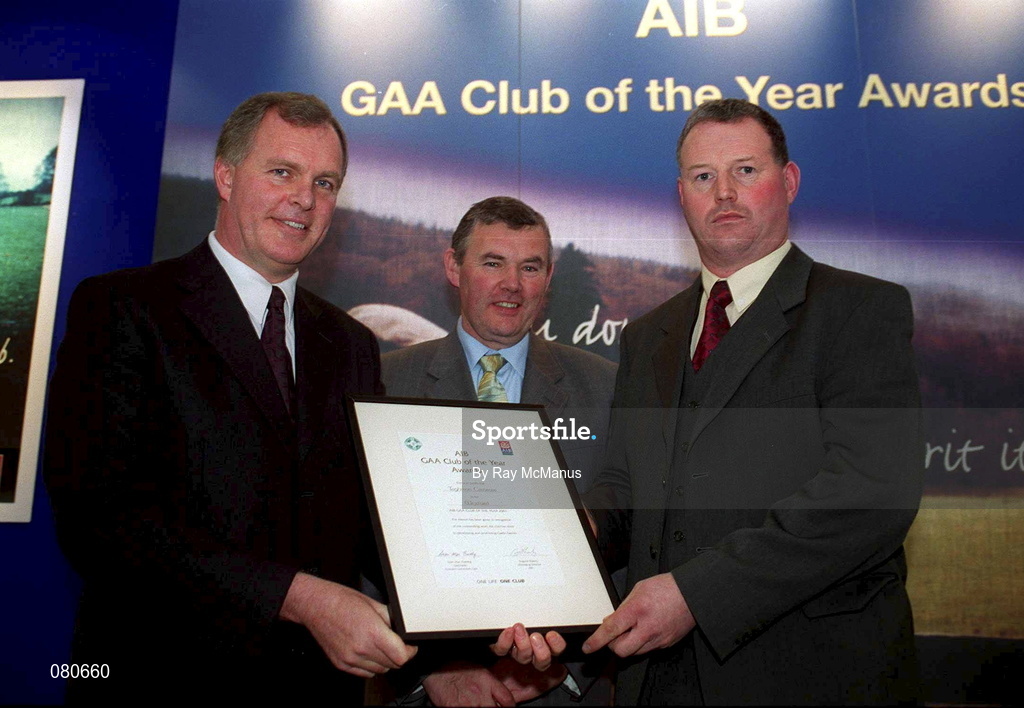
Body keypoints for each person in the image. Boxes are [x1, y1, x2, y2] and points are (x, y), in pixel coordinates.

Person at [44, 92, 416, 704]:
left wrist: (470, 630)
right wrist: (299, 597)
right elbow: (99, 520)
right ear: (224, 174)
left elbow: (372, 523)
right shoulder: (125, 308)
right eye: (282, 172)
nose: (305, 198)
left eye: (325, 182)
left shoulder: (351, 344)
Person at [579, 99, 922, 705]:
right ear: (681, 194)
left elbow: (870, 491)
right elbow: (623, 485)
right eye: (703, 177)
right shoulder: (646, 335)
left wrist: (696, 594)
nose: (724, 194)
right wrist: (572, 539)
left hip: (806, 675)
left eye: (746, 171)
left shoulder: (860, 309)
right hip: (655, 679)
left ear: (787, 182)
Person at [382, 196, 617, 706]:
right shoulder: (384, 383)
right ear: (453, 267)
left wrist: (564, 669)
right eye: (493, 263)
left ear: (549, 278)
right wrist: (436, 671)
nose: (512, 284)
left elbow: (626, 541)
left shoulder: (606, 388)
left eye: (529, 267)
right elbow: (364, 552)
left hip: (567, 689)